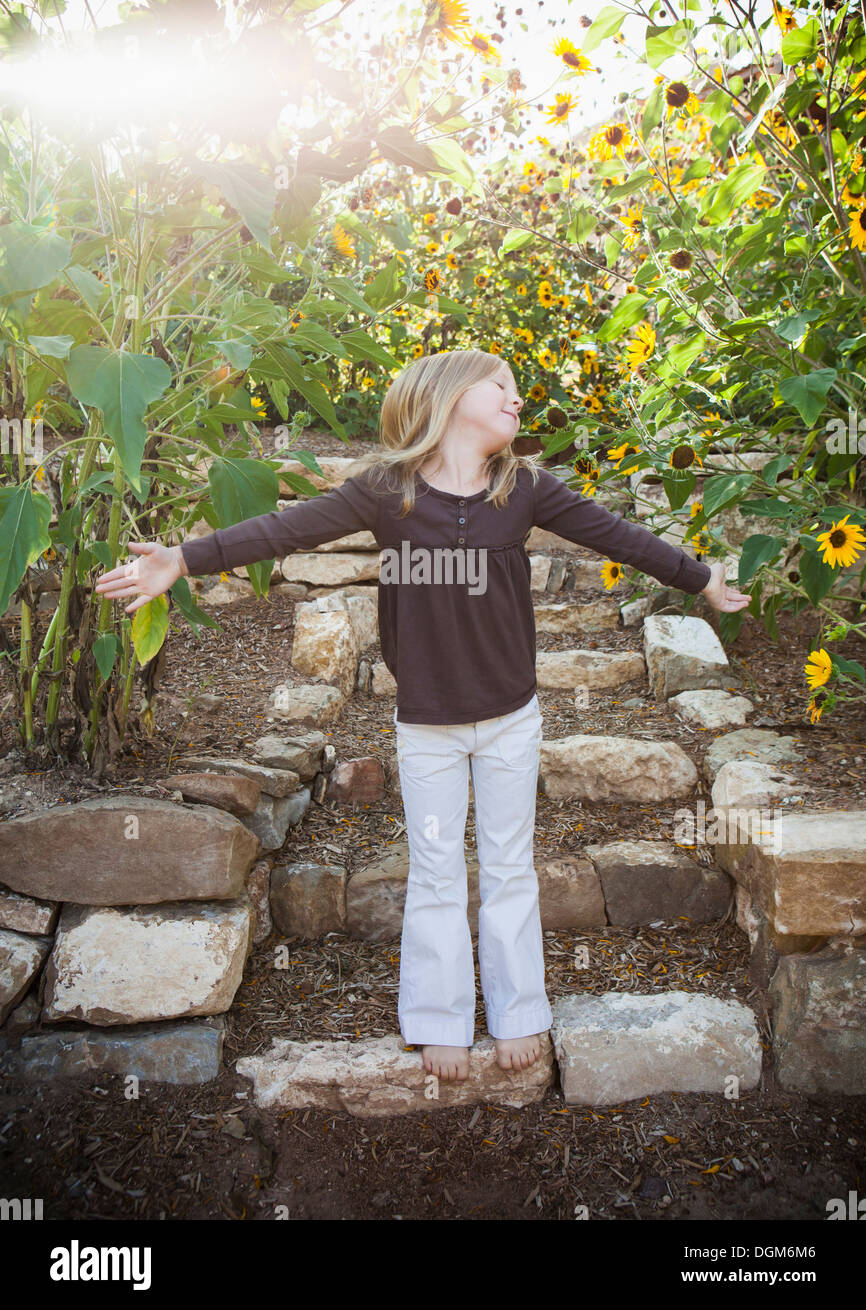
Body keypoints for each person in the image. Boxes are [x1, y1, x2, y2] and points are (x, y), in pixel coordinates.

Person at [94, 348, 750, 1084]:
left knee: (510, 869)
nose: (517, 402)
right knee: (437, 870)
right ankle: (438, 1017)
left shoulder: (525, 487)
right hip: (427, 723)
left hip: (511, 718)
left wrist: (699, 578)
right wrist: (184, 558)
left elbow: (617, 536)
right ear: (447, 397)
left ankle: (519, 1012)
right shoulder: (385, 491)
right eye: (501, 387)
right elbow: (287, 531)